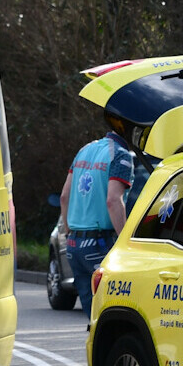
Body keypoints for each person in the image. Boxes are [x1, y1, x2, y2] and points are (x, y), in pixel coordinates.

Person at [55, 129, 135, 316]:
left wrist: (69, 233)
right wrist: (125, 243)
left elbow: (64, 197)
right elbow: (113, 200)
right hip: (100, 243)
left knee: (92, 315)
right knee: (112, 312)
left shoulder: (85, 150)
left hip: (75, 245)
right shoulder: (121, 156)